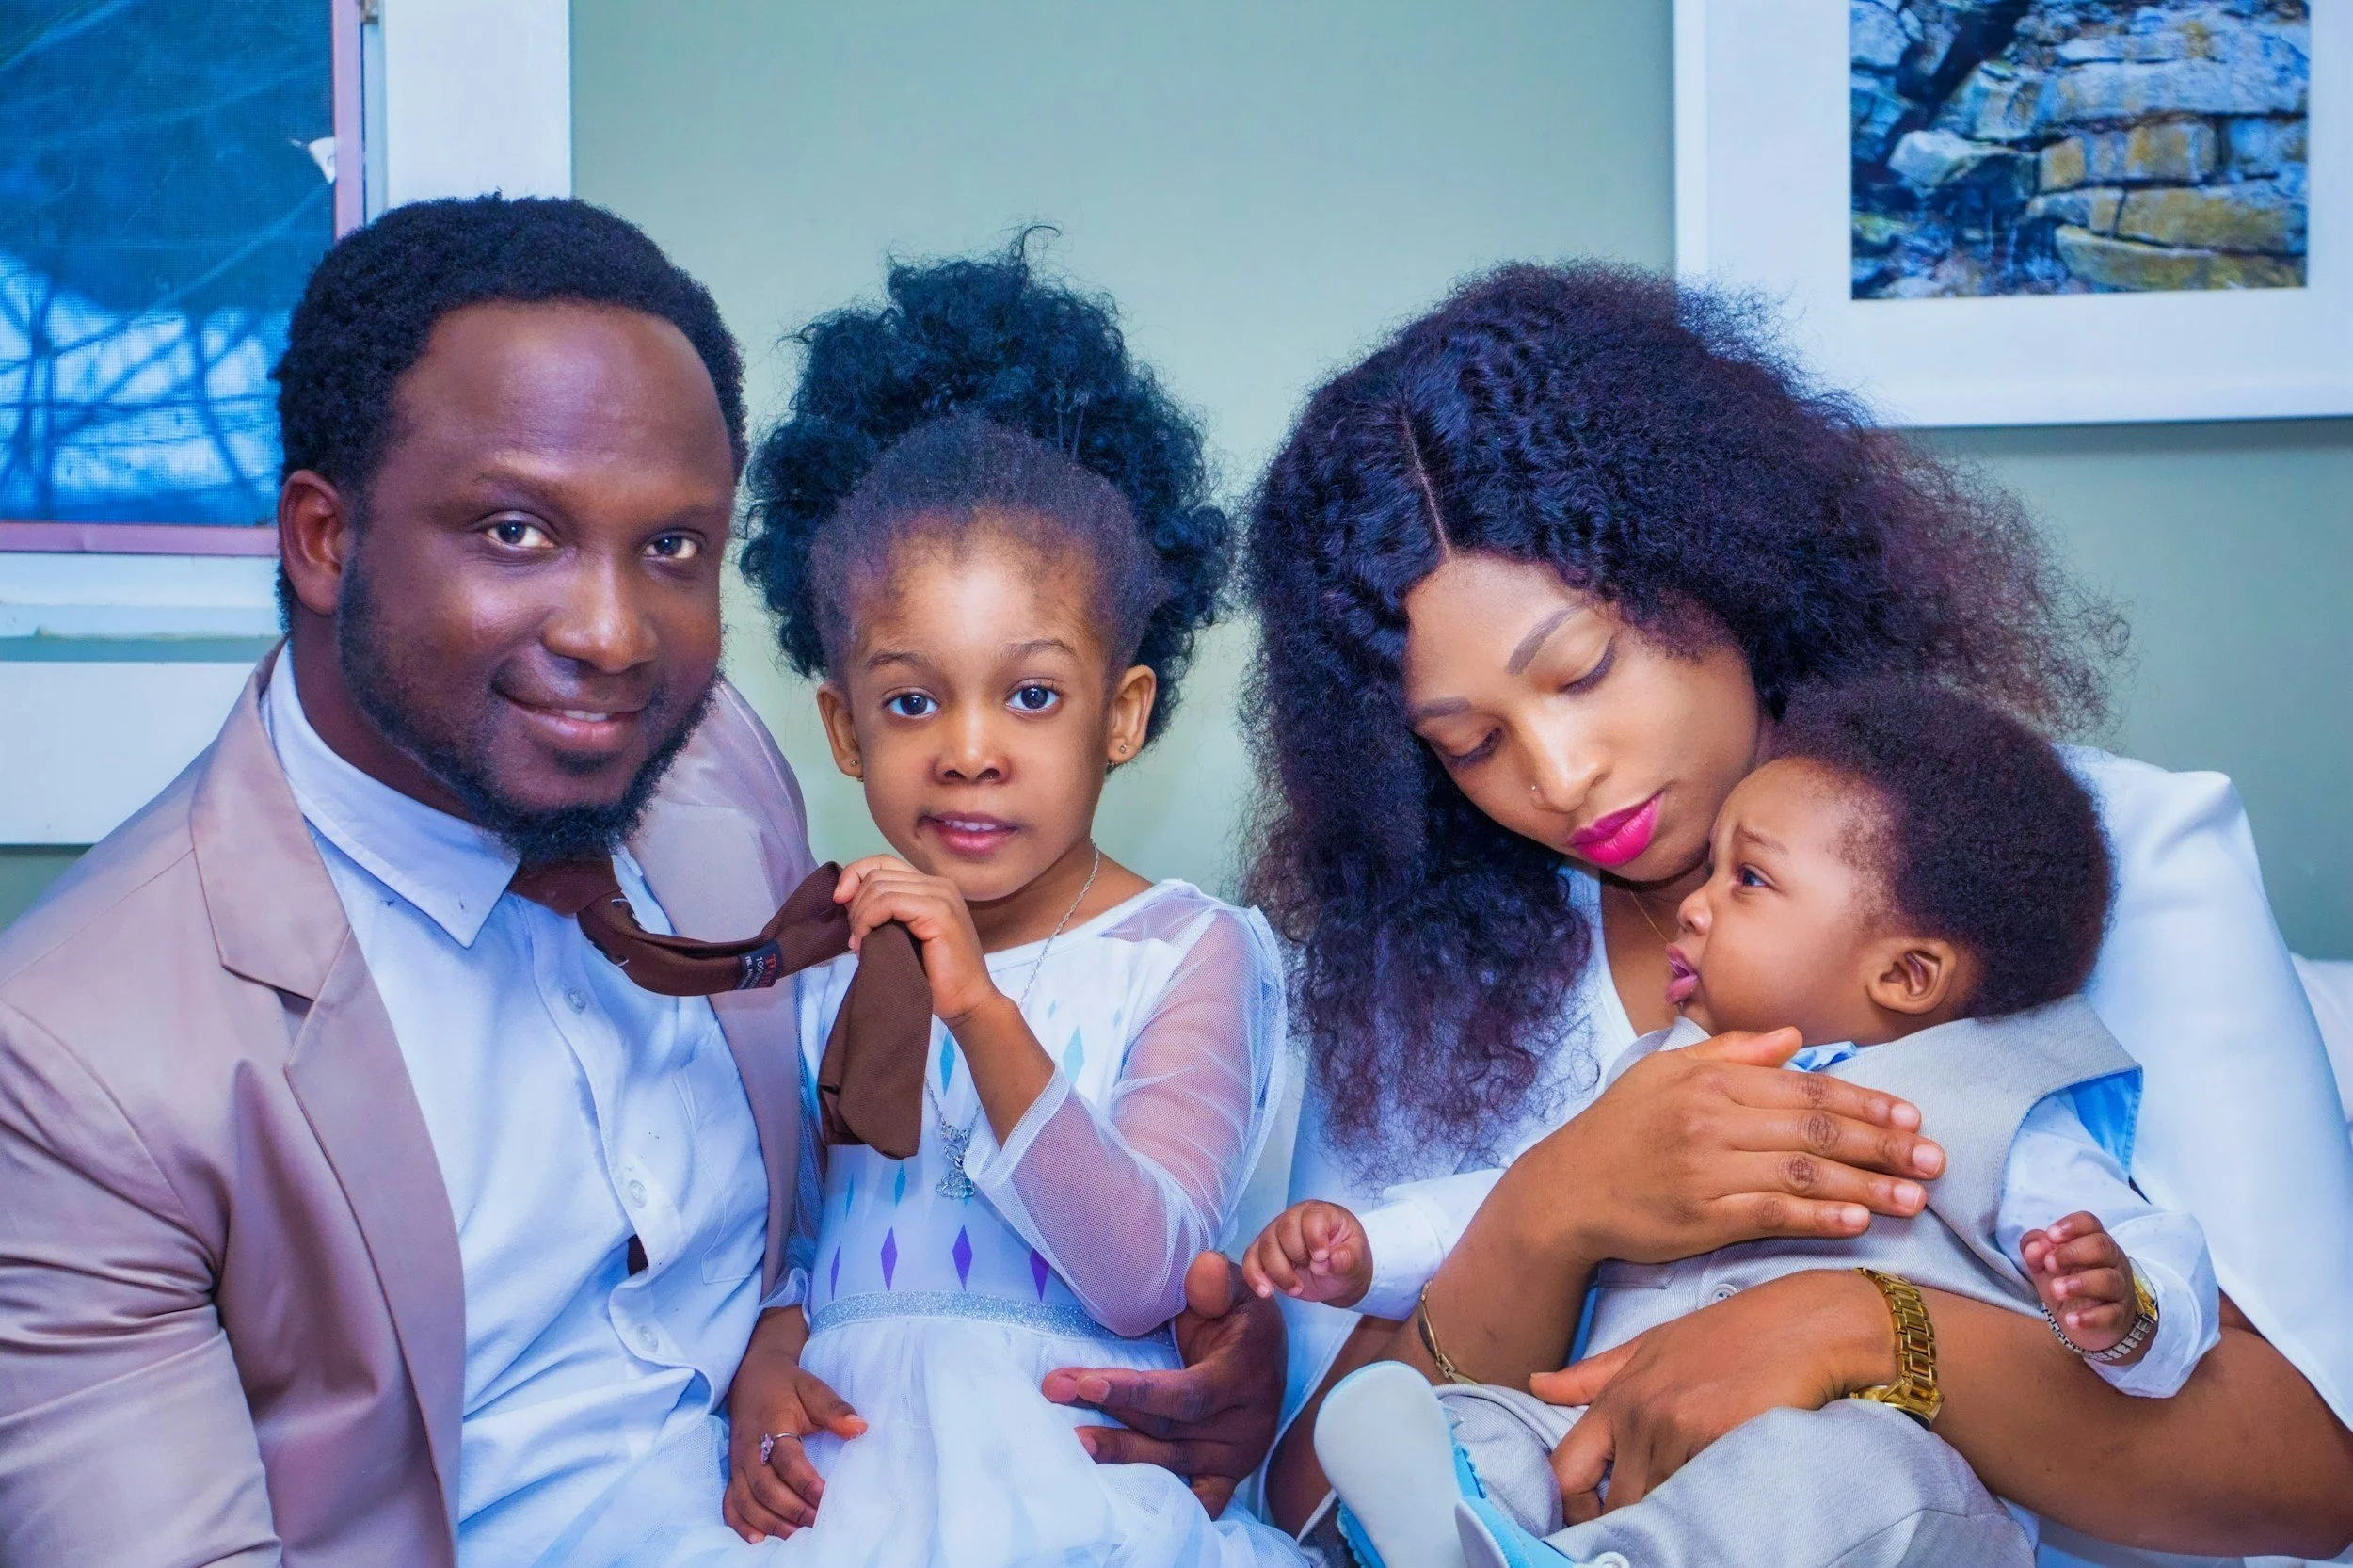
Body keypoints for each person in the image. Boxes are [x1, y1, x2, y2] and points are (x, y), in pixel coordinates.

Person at [0, 198, 1278, 1568]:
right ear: (322, 538)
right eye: (513, 532)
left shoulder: (710, 762)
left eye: (672, 547)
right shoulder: (78, 1058)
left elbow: (894, 1200)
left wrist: (1222, 1356)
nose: (614, 636)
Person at [1242, 263, 2353, 1561]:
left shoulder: (2107, 857)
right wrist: (1550, 1212)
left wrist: (1863, 1328)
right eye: (1470, 742)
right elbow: (1312, 1500)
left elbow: (2316, 1468)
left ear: (1716, 564)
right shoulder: (1427, 978)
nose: (1558, 772)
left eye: (1587, 669)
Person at [528, 248, 1305, 1568]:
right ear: (841, 726)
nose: (969, 748)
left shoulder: (1187, 950)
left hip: (1062, 1485)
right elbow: (804, 1231)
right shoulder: (833, 955)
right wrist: (776, 1342)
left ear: (1124, 713)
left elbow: (1146, 1274)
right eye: (909, 699)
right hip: (855, 1486)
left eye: (1033, 695)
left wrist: (981, 1010)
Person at [1258, 682, 2218, 1567]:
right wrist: (1368, 1247)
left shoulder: (2003, 1115)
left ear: (1906, 974)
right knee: (1484, 1423)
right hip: (1611, 1431)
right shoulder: (1669, 1074)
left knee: (1854, 1472)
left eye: (1747, 879)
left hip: (1863, 1475)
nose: (1694, 907)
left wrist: (2125, 1309)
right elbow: (1509, 1193)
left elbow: (2162, 1262)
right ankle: (1473, 1532)